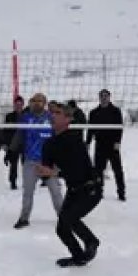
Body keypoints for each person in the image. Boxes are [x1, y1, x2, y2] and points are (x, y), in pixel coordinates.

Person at [37, 102, 102, 267]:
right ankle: (78, 257)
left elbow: (77, 170)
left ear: (68, 119)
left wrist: (54, 173)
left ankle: (91, 241)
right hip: (74, 190)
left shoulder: (75, 139)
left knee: (69, 218)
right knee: (61, 228)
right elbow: (47, 170)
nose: (53, 115)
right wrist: (42, 171)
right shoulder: (49, 144)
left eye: (58, 113)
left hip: (90, 188)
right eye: (52, 112)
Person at [11, 93, 63, 228]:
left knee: (56, 192)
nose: (36, 103)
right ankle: (24, 218)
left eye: (40, 101)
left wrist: (60, 160)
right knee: (27, 192)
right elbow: (19, 135)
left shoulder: (51, 118)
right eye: (34, 101)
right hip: (30, 162)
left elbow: (59, 139)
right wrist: (11, 151)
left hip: (48, 163)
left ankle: (64, 218)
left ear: (44, 103)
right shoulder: (25, 118)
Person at [86, 88, 126, 201]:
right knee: (98, 170)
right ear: (99, 98)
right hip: (100, 144)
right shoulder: (94, 112)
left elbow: (120, 128)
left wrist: (118, 142)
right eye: (102, 96)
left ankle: (121, 192)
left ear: (109, 97)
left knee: (117, 170)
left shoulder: (116, 111)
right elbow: (90, 129)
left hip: (112, 144)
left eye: (106, 96)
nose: (104, 98)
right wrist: (88, 142)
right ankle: (98, 192)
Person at [2, 96, 26, 190]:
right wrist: (6, 144)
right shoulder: (9, 116)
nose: (18, 106)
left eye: (20, 104)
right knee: (13, 164)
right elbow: (5, 131)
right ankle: (13, 182)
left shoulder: (27, 115)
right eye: (17, 104)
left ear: (23, 104)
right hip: (14, 143)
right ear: (14, 105)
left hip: (25, 143)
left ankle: (27, 181)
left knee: (27, 164)